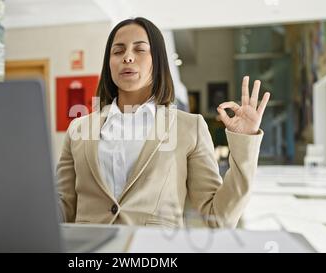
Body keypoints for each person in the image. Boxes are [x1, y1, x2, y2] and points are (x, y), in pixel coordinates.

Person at [56, 17, 270, 228]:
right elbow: (61, 208)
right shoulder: (79, 129)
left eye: (139, 49)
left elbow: (218, 217)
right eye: (118, 51)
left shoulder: (189, 128)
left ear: (157, 60)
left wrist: (245, 143)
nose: (127, 57)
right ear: (108, 63)